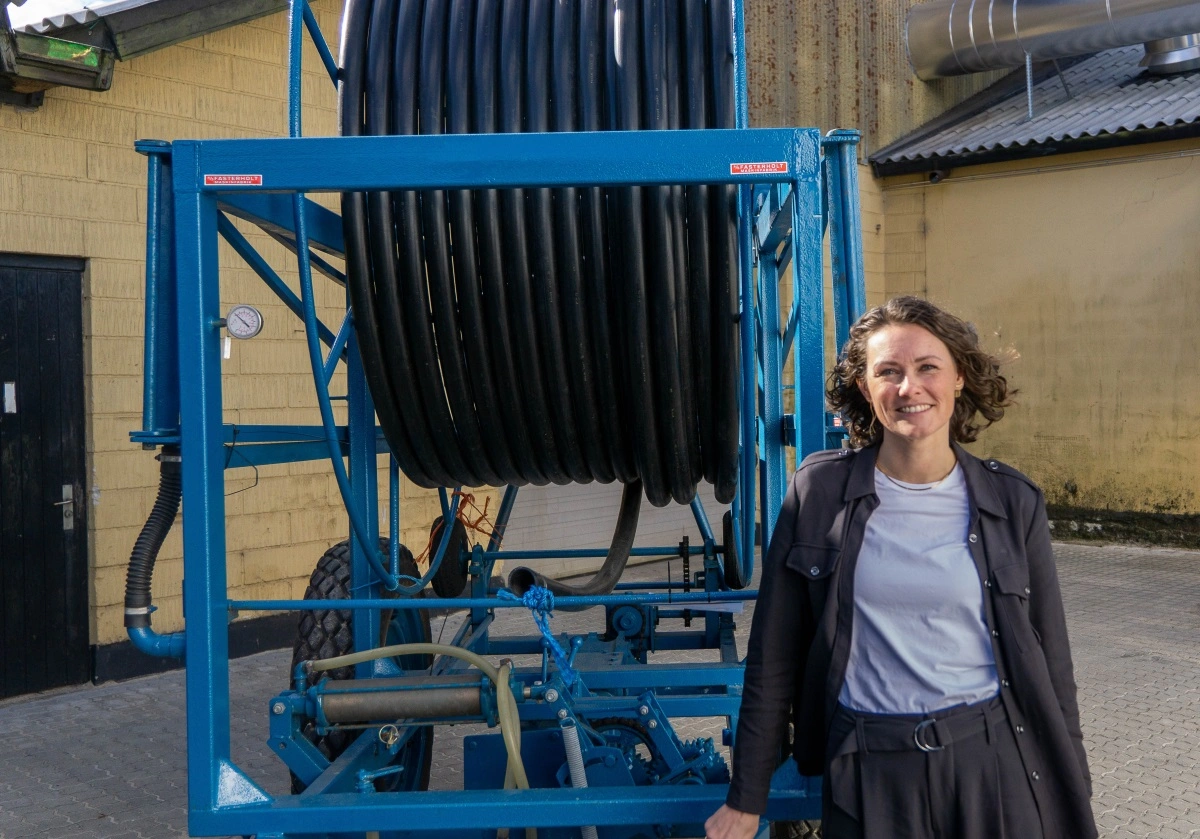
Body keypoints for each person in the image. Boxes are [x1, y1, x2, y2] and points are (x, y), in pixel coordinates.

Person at [706, 296, 1096, 839]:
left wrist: (1072, 784)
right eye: (888, 371)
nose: (908, 388)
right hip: (869, 769)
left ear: (958, 378)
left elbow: (1053, 662)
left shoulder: (1013, 502)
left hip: (990, 762)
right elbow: (773, 655)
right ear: (866, 388)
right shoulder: (818, 494)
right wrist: (746, 798)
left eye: (927, 368)